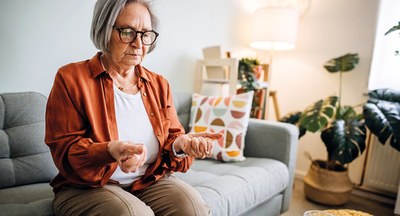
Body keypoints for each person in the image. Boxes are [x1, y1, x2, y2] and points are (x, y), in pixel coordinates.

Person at [45, 0, 222, 215]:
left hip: (147, 181)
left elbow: (172, 140)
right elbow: (65, 150)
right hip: (87, 187)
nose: (139, 44)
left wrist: (182, 145)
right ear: (104, 29)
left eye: (146, 33)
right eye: (128, 32)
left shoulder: (159, 84)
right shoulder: (70, 78)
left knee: (192, 207)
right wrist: (109, 151)